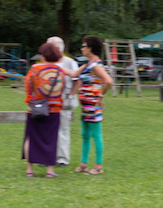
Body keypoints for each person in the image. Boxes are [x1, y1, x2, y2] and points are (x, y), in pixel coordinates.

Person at [63, 35, 113, 175]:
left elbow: (108, 81)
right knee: (85, 135)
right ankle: (83, 164)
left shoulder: (96, 65)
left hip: (93, 106)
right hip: (86, 106)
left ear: (90, 49)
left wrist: (101, 96)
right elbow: (74, 74)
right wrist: (54, 67)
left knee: (96, 135)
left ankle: (98, 167)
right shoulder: (87, 65)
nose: (81, 48)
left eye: (83, 46)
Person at [22, 43, 66, 178]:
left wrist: (33, 97)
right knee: (51, 139)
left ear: (43, 55)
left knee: (30, 137)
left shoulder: (35, 69)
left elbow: (28, 86)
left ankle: (29, 170)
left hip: (35, 109)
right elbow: (62, 89)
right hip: (54, 109)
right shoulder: (60, 71)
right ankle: (50, 171)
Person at [46, 36, 82, 167]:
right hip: (48, 101)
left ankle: (62, 158)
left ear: (57, 47)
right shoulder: (47, 62)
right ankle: (47, 157)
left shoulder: (70, 62)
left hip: (64, 102)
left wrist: (71, 95)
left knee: (63, 130)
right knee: (48, 129)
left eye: (49, 46)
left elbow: (78, 80)